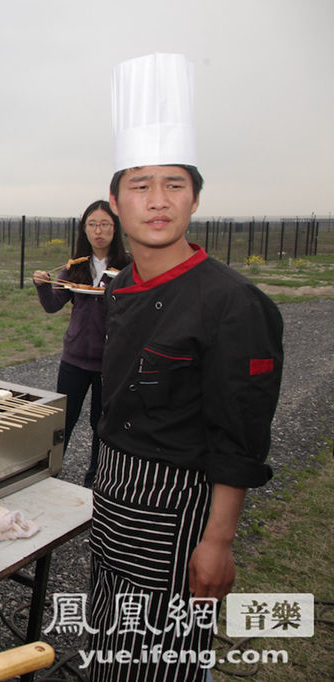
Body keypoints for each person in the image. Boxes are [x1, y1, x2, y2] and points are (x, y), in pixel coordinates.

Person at [87, 54, 283, 682]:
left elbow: (240, 433)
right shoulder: (119, 287)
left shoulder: (232, 303)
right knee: (111, 647)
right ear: (115, 202)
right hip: (115, 495)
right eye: (140, 185)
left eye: (173, 184)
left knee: (161, 665)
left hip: (181, 508)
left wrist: (218, 541)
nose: (158, 201)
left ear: (195, 196)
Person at [32, 200, 130, 487]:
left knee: (101, 425)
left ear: (115, 228)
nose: (98, 231)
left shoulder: (128, 268)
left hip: (110, 362)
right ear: (84, 230)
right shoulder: (75, 266)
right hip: (74, 358)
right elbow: (52, 305)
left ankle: (95, 480)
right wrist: (42, 285)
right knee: (63, 420)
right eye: (92, 224)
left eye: (105, 224)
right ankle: (52, 474)